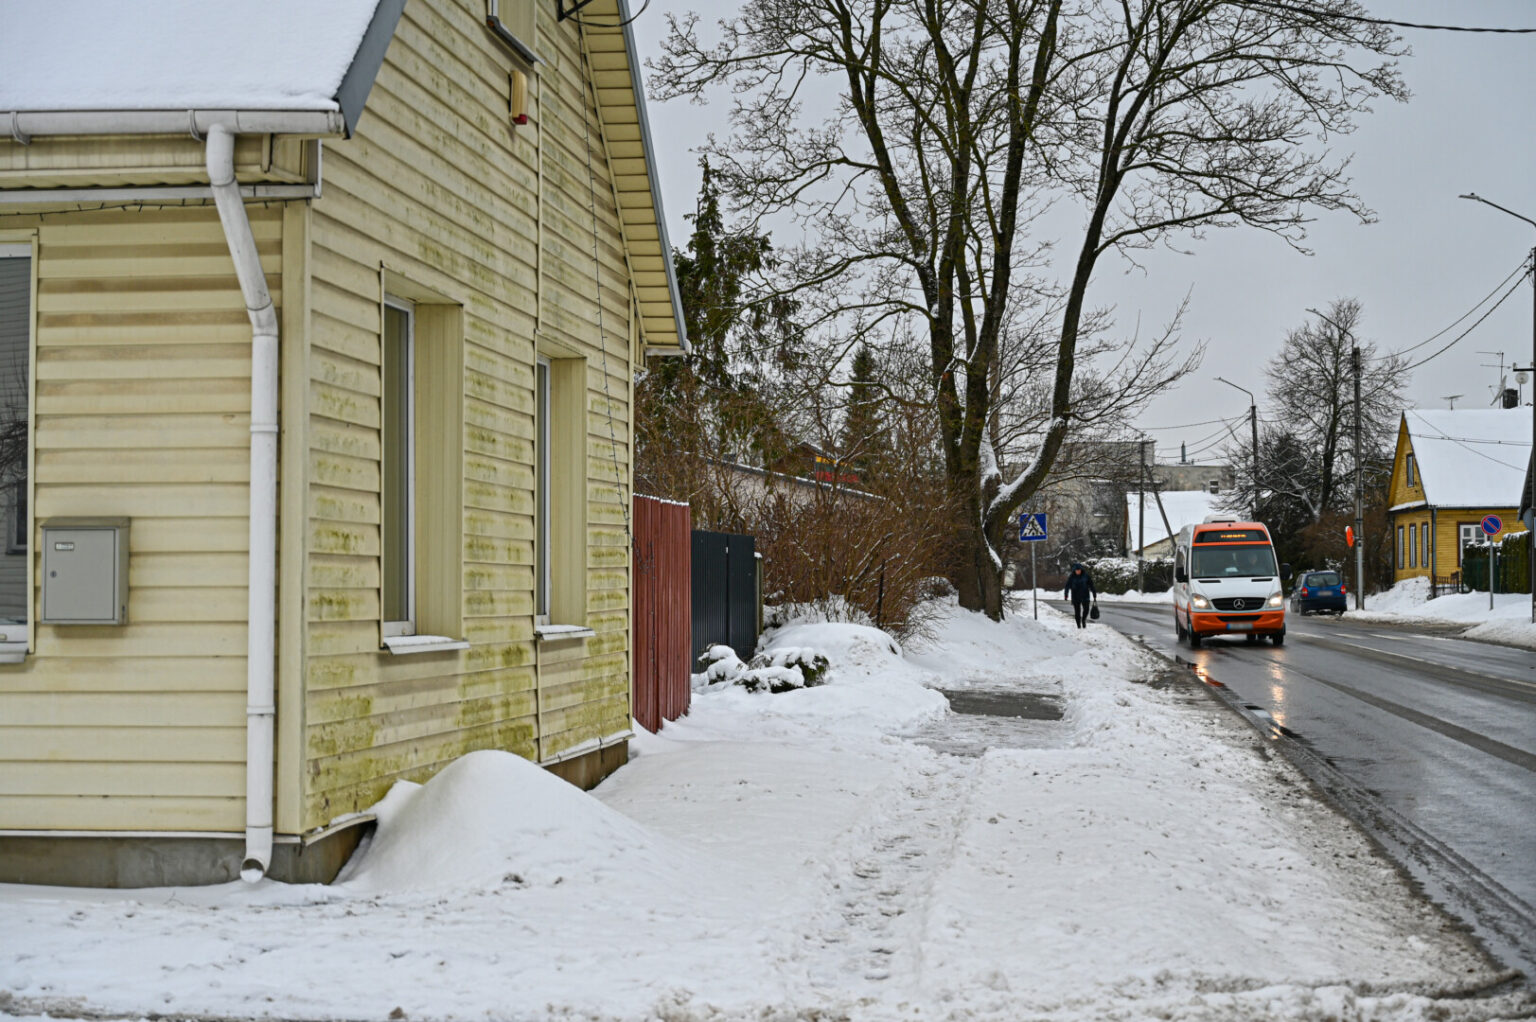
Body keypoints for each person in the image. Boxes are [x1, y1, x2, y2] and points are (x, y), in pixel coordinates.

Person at [1063, 562, 1097, 629]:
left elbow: (1091, 585)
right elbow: (1067, 586)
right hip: (1075, 596)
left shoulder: (1086, 576)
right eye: (1076, 570)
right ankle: (1078, 625)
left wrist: (1094, 593)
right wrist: (1066, 595)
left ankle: (1083, 620)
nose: (1078, 571)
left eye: (1079, 570)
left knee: (1086, 609)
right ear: (1074, 570)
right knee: (1077, 612)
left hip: (1085, 595)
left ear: (1081, 570)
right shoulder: (1071, 577)